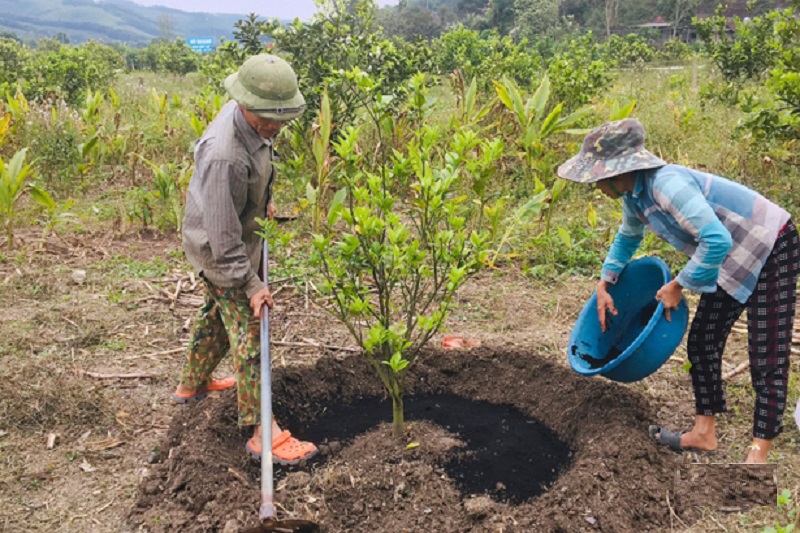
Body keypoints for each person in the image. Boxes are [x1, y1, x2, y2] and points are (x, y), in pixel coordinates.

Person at [557, 118, 799, 464]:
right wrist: (604, 282)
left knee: (766, 349)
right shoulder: (634, 195)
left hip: (770, 244)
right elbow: (628, 236)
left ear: (615, 172)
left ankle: (759, 452)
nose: (595, 186)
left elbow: (716, 239)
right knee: (703, 340)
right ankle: (704, 433)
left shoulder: (666, 185)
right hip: (725, 257)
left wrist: (677, 285)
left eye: (596, 178)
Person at [171, 54, 317, 465]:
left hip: (225, 239)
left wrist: (261, 202)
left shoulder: (252, 120)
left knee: (217, 315)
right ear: (245, 104)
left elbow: (252, 179)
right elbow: (222, 237)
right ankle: (261, 431)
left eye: (281, 116)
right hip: (220, 252)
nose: (276, 125)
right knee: (252, 330)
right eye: (268, 117)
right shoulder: (225, 154)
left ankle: (192, 385)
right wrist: (252, 284)